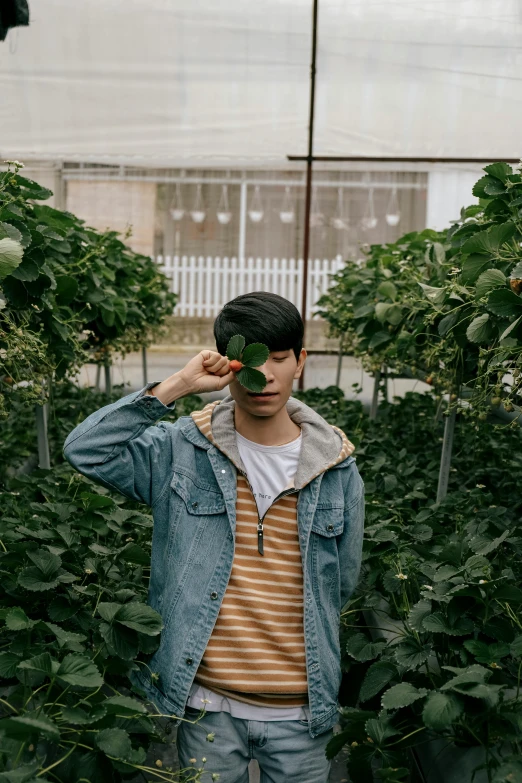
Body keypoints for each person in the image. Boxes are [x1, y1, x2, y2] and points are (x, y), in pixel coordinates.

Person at [63, 292, 364, 783]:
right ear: (227, 366)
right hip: (204, 709)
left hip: (301, 714)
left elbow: (340, 585)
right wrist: (180, 385)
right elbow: (85, 451)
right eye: (249, 363)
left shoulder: (337, 469)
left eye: (280, 360)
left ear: (300, 362)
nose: (264, 377)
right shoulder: (182, 450)